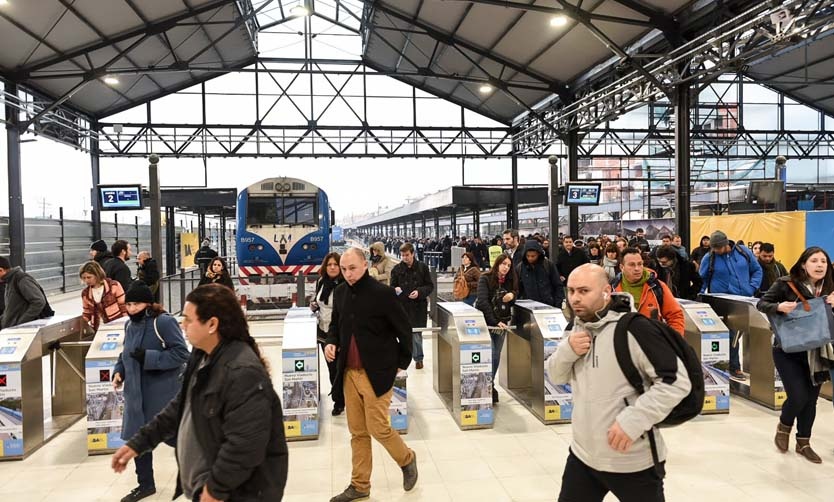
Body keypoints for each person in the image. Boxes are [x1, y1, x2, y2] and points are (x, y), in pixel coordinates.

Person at [111, 284, 289, 502]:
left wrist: (215, 489)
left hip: (239, 493)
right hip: (208, 484)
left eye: (188, 319)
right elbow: (180, 405)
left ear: (212, 324)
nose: (183, 325)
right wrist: (139, 443)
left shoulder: (243, 372)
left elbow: (244, 444)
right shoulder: (202, 356)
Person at [547, 264, 692, 502]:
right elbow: (555, 376)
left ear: (606, 292)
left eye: (584, 291)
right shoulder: (575, 328)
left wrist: (632, 421)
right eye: (571, 291)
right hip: (583, 456)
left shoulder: (635, 330)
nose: (575, 298)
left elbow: (676, 381)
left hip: (631, 461)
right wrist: (568, 350)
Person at [324, 248, 418, 502]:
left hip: (376, 373)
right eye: (344, 269)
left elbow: (404, 329)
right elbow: (335, 324)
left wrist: (402, 361)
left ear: (365, 265)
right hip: (349, 374)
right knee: (357, 432)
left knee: (378, 427)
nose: (348, 273)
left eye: (352, 268)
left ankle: (407, 459)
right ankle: (360, 485)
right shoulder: (341, 292)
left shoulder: (383, 294)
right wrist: (331, 342)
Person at [111, 282, 190, 502]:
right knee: (140, 442)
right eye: (128, 304)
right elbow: (126, 354)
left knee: (178, 440)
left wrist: (149, 358)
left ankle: (199, 478)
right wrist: (120, 372)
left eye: (136, 304)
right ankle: (145, 485)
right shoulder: (129, 326)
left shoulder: (163, 322)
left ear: (148, 303)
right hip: (136, 396)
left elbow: (181, 354)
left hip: (162, 395)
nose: (131, 309)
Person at [757, 247, 834, 464]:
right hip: (787, 350)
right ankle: (784, 425)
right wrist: (780, 306)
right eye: (814, 261)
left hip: (818, 350)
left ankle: (804, 442)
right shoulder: (785, 283)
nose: (820, 265)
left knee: (811, 400)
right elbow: (762, 304)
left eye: (823, 262)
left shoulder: (830, 286)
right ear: (803, 264)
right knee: (799, 395)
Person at [699, 230, 762, 378]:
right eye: (713, 248)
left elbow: (757, 270)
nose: (715, 251)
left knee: (741, 333)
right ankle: (732, 367)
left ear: (726, 244)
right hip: (720, 301)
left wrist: (752, 287)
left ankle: (735, 366)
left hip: (743, 299)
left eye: (718, 248)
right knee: (729, 333)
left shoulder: (743, 252)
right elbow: (702, 277)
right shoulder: (710, 258)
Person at [612, 248, 685, 335]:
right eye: (631, 265)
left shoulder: (658, 287)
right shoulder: (612, 289)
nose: (637, 268)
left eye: (640, 264)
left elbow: (675, 316)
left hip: (653, 343)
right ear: (621, 267)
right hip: (622, 344)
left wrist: (674, 342)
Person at [475, 253, 518, 404]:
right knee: (491, 353)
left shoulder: (511, 281)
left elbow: (517, 294)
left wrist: (512, 296)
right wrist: (494, 321)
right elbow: (482, 301)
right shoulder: (485, 278)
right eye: (503, 264)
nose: (506, 267)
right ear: (497, 263)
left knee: (496, 355)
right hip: (487, 323)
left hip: (503, 322)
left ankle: (489, 384)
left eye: (508, 265)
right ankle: (487, 385)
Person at [390, 242, 434, 370]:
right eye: (403, 255)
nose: (405, 258)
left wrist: (420, 292)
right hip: (402, 306)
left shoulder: (422, 268)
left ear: (413, 254)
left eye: (407, 255)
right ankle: (403, 359)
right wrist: (396, 289)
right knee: (402, 334)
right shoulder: (396, 270)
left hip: (418, 306)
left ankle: (418, 358)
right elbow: (392, 287)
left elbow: (430, 286)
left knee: (416, 335)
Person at [311, 252, 345, 415]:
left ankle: (349, 398)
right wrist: (314, 305)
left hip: (340, 334)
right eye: (329, 264)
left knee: (342, 369)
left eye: (335, 264)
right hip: (323, 333)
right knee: (332, 369)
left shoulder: (345, 285)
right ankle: (338, 401)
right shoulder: (321, 282)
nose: (332, 267)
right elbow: (319, 302)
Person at [0, 256, 50, 329]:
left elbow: (39, 301)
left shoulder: (22, 279)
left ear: (1, 270)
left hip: (21, 330)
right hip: (11, 329)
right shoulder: (9, 281)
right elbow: (11, 308)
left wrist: (21, 323)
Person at [79, 261, 127, 333]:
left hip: (116, 325)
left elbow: (123, 306)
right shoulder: (85, 293)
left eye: (89, 277)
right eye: (84, 278)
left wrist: (126, 323)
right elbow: (87, 312)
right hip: (98, 328)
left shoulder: (114, 285)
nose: (86, 280)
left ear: (97, 275)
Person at [517, 239, 564, 308]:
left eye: (533, 256)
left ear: (538, 254)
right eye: (528, 256)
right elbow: (518, 289)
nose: (530, 258)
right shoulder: (520, 268)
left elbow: (558, 285)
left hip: (548, 305)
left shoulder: (548, 265)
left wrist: (558, 304)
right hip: (529, 307)